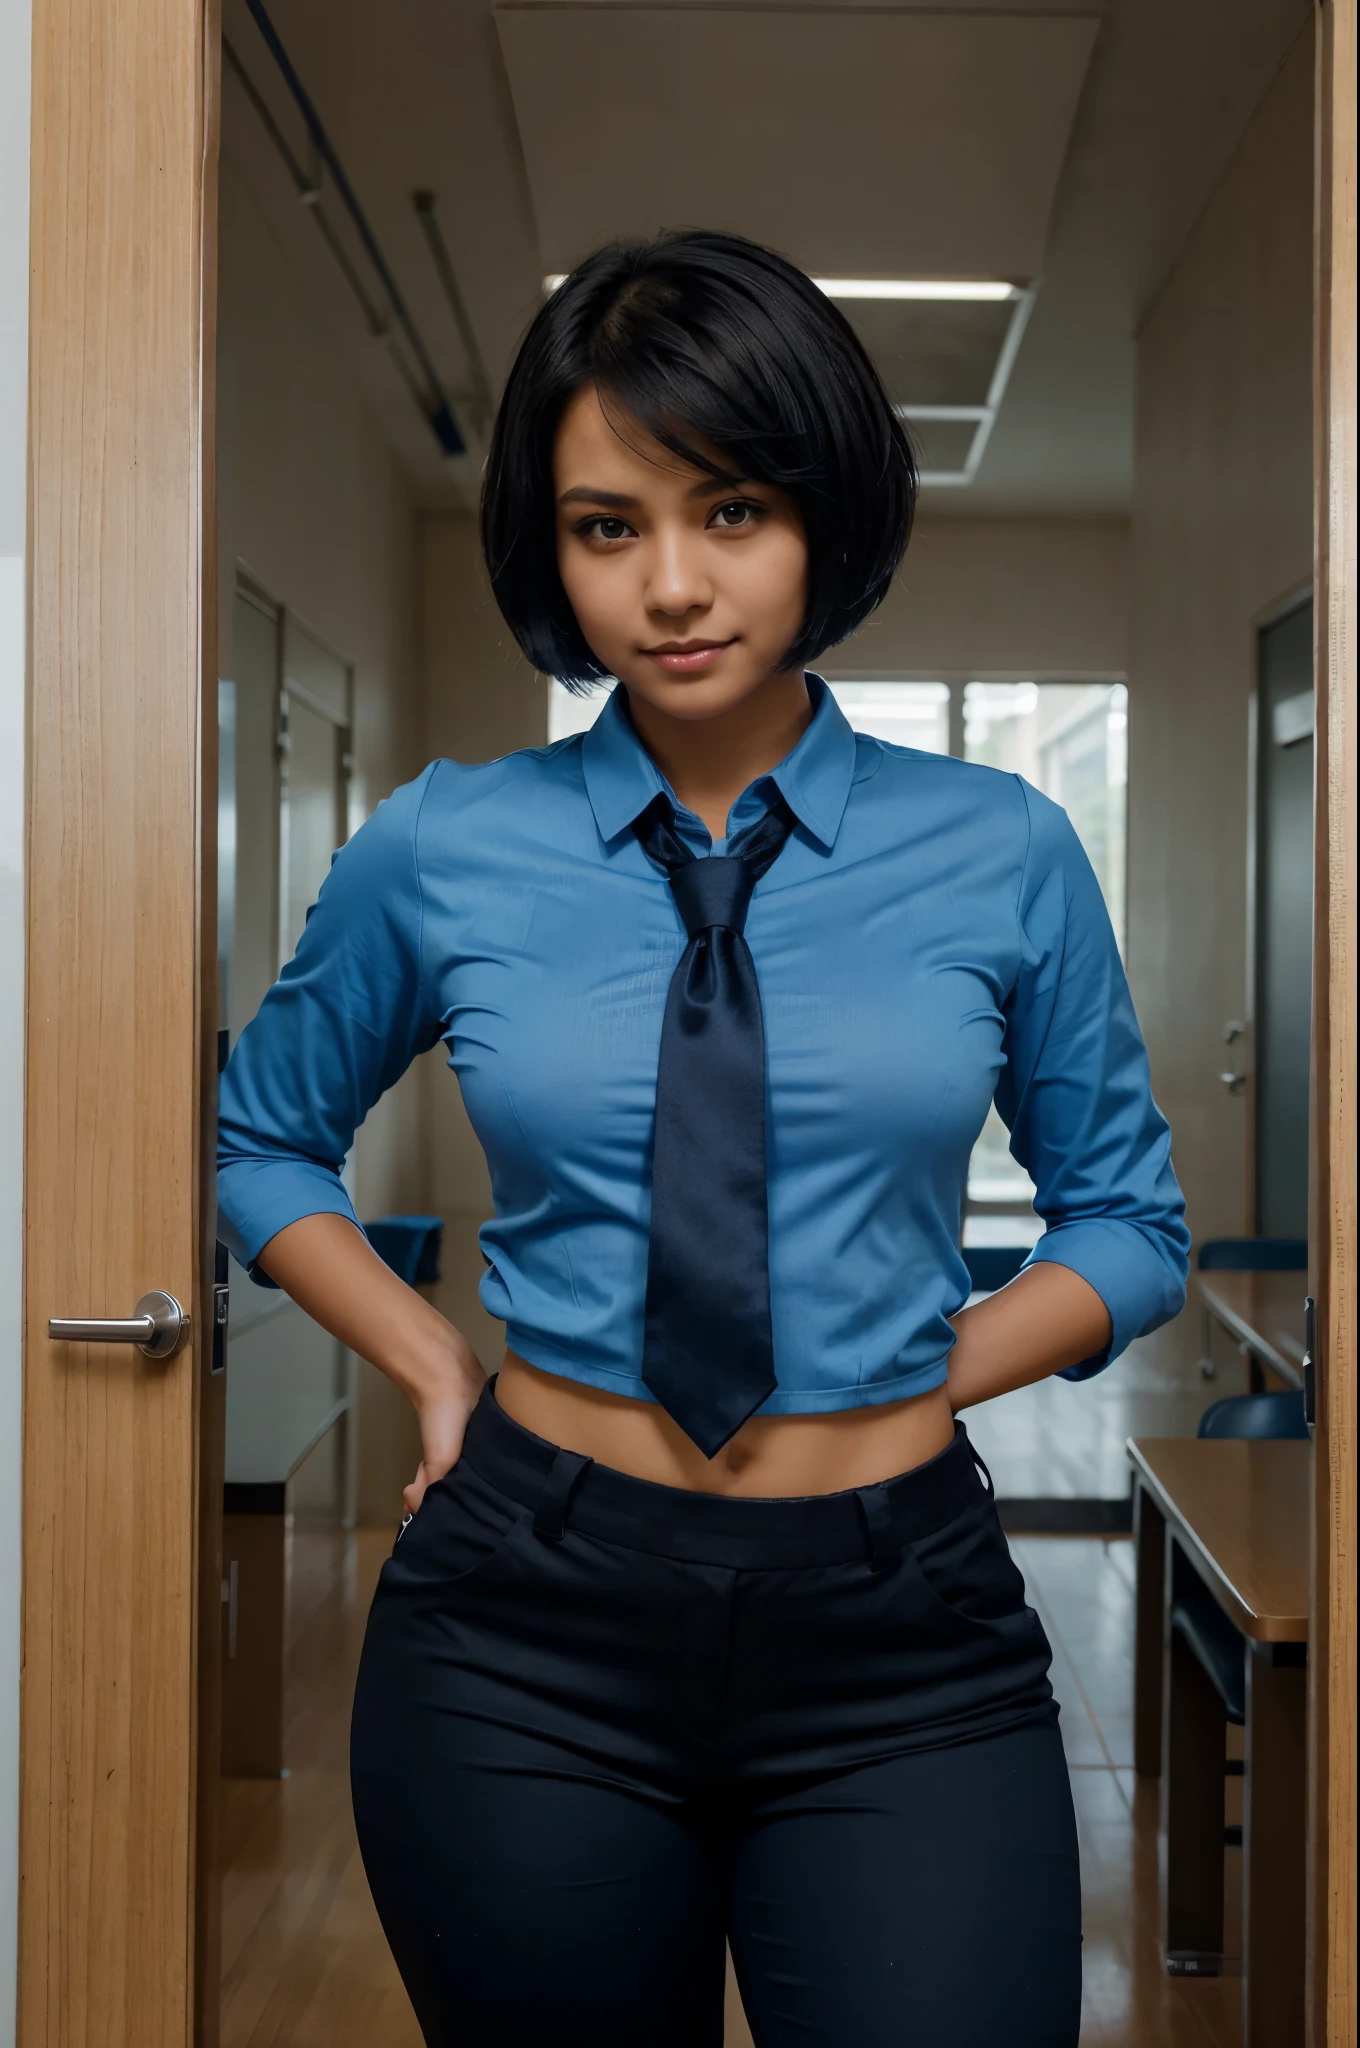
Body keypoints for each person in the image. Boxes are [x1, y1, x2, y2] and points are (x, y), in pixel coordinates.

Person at [217, 231, 1189, 2048]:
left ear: (824, 514)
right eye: (607, 527)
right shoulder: (444, 844)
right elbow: (261, 1140)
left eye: (729, 510)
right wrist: (430, 1357)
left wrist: (926, 1369)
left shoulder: (1004, 849)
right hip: (524, 1626)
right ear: (551, 545)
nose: (671, 584)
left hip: (902, 1633)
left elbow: (1129, 1220)